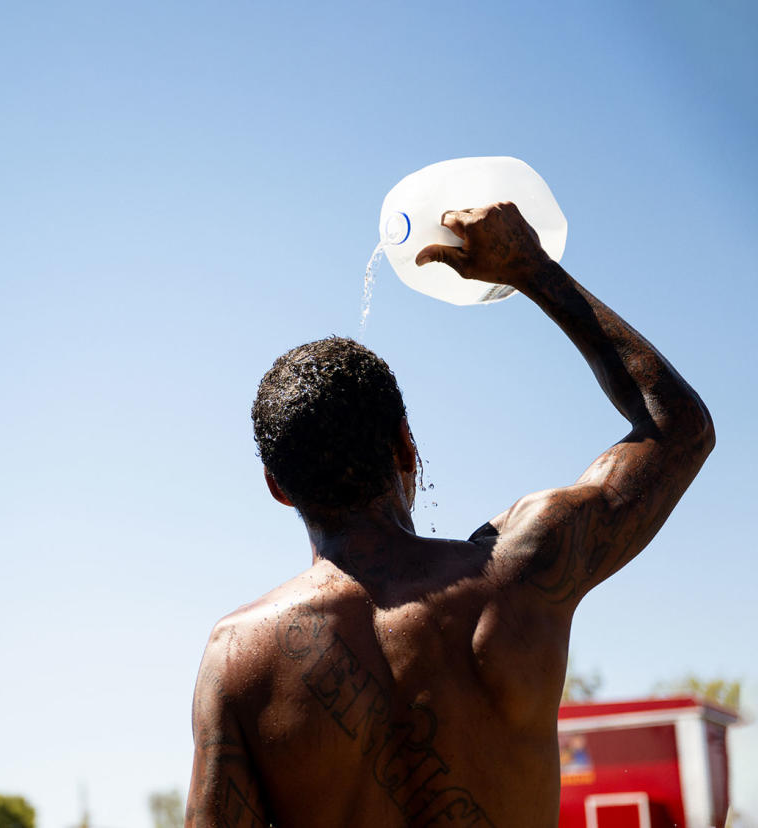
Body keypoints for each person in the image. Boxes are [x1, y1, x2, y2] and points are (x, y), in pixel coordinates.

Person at [186, 202, 714, 827]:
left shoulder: (239, 658)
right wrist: (532, 270)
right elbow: (678, 428)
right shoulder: (517, 574)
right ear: (406, 446)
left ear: (278, 487)